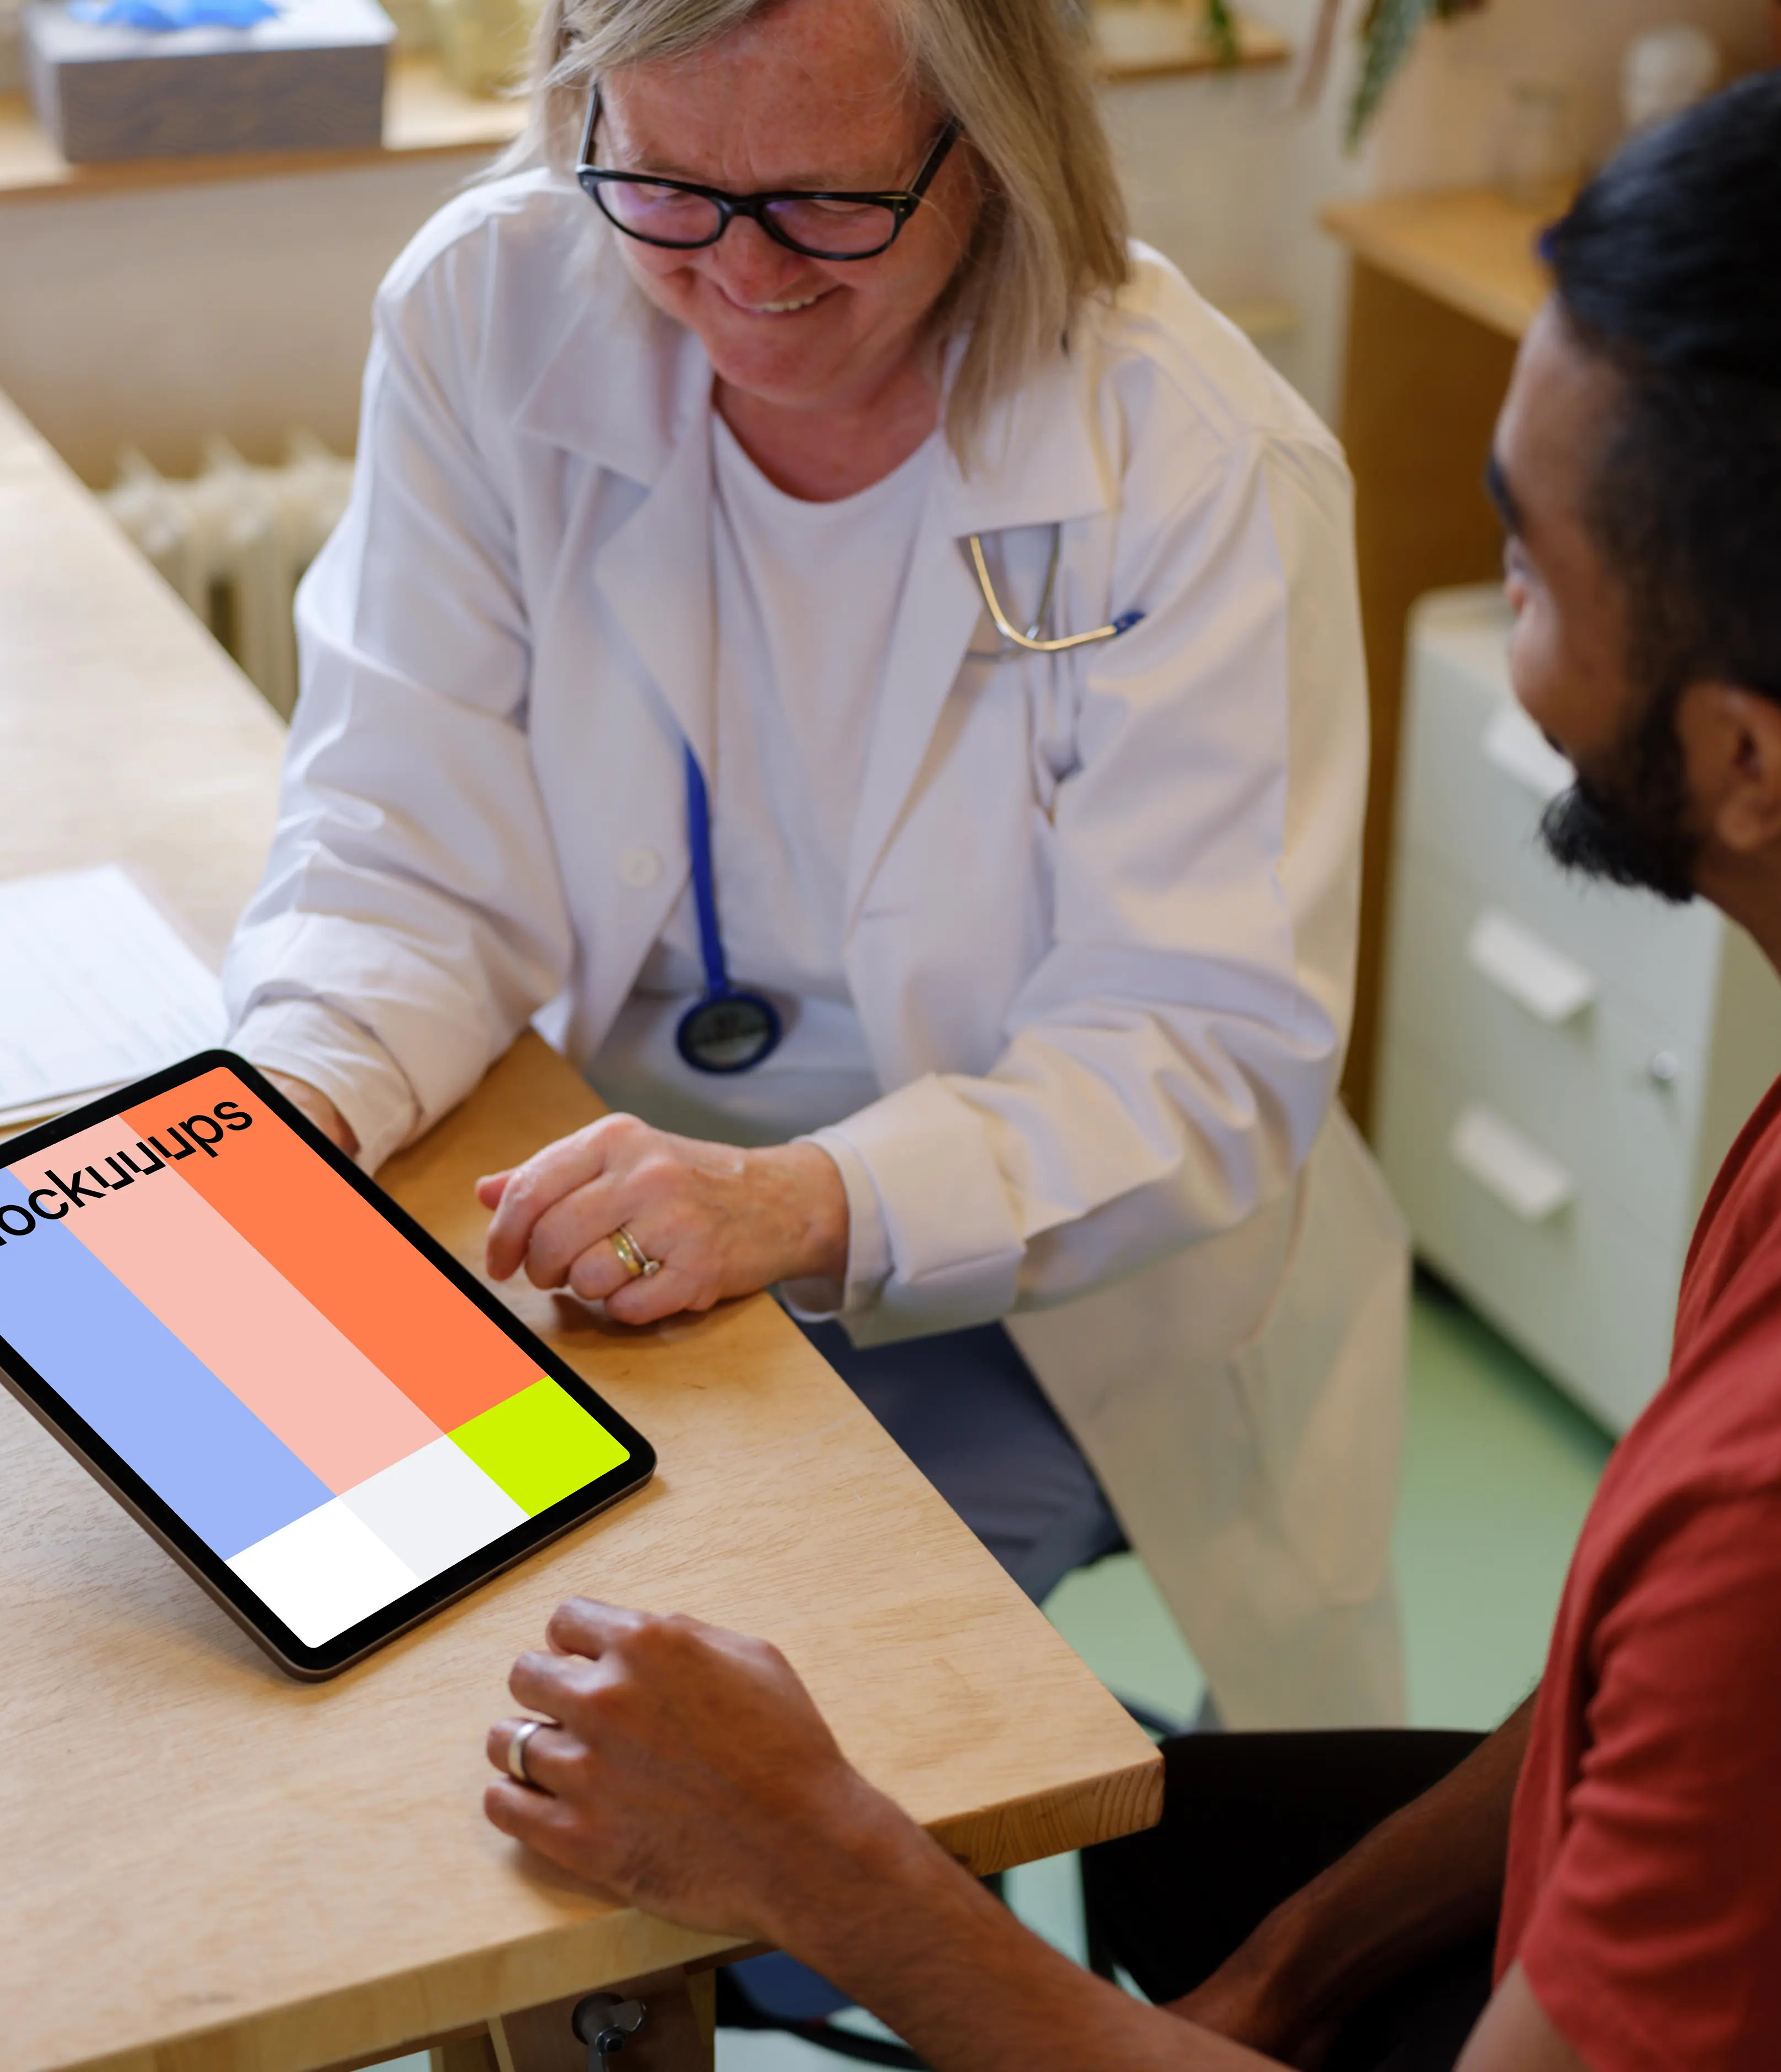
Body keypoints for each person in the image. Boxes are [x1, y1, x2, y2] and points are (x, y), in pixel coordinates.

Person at [471, 43, 1781, 2072]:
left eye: (1526, 559)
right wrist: (1287, 1976)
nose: (1491, 597)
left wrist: (826, 1866)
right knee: (1181, 1863)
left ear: (1752, 763)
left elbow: (1779, 1655)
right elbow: (1626, 1683)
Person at [221, 0, 1411, 1726]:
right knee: (386, 1660)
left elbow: (1197, 1044)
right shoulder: (491, 312)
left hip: (1055, 1274)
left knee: (732, 1792)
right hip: (617, 1192)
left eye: (824, 201)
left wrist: (793, 1203)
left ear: (996, 146)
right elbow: (402, 832)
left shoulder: (1195, 461)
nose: (738, 270)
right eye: (663, 183)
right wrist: (298, 1095)